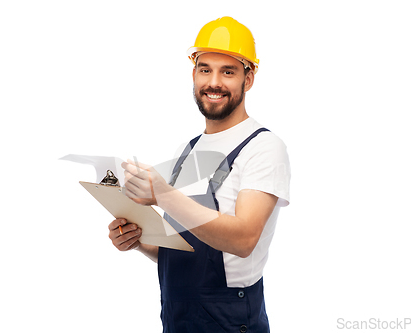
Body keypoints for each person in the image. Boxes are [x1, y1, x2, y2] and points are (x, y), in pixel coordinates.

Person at [108, 16, 290, 332]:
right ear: (194, 74)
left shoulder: (264, 147)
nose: (214, 82)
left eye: (228, 71)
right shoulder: (188, 150)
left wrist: (162, 193)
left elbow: (244, 239)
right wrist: (139, 240)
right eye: (205, 69)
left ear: (249, 79)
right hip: (177, 320)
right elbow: (183, 251)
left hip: (230, 322)